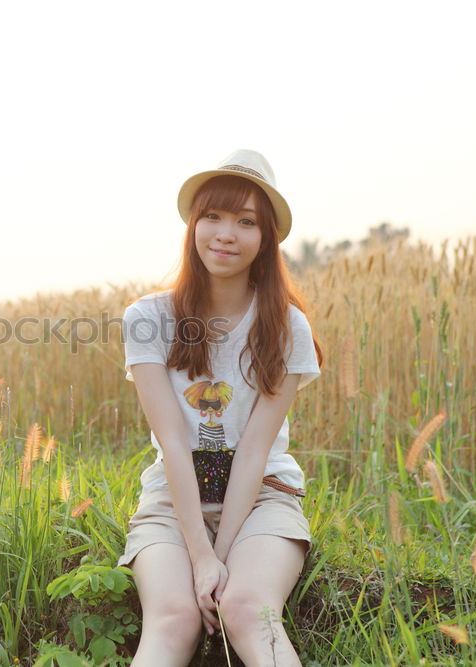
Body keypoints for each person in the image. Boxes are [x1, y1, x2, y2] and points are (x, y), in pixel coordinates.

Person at [117, 149, 323, 666]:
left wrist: (222, 554)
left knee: (248, 609)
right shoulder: (148, 318)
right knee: (174, 619)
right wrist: (199, 553)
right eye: (212, 216)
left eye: (245, 221)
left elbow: (254, 450)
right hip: (173, 498)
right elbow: (173, 443)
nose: (225, 233)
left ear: (266, 237)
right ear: (193, 225)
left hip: (263, 497)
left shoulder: (286, 327)